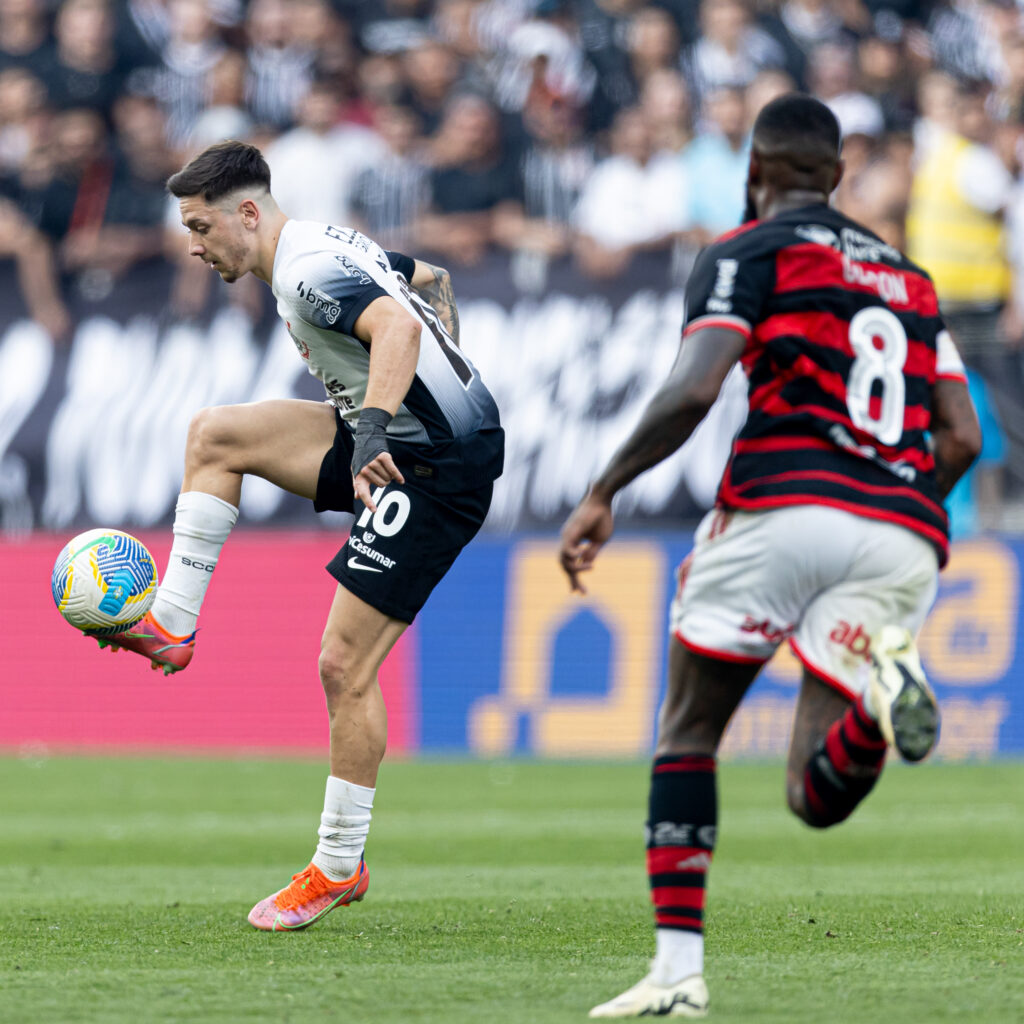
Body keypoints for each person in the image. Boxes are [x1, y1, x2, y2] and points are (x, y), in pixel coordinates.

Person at [558, 93, 981, 1018]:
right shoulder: (911, 280)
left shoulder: (747, 252)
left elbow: (695, 386)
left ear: (755, 174)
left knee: (687, 734)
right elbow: (961, 436)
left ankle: (676, 974)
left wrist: (604, 489)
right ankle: (877, 702)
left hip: (783, 505)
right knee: (812, 791)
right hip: (900, 529)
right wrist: (901, 508)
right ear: (836, 177)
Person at [93, 139, 504, 932]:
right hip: (393, 435)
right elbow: (430, 282)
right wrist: (426, 399)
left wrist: (386, 430)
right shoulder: (327, 242)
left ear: (248, 213)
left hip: (428, 465)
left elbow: (397, 327)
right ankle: (173, 625)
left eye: (201, 226)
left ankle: (337, 868)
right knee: (216, 436)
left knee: (342, 665)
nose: (193, 244)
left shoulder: (310, 269)